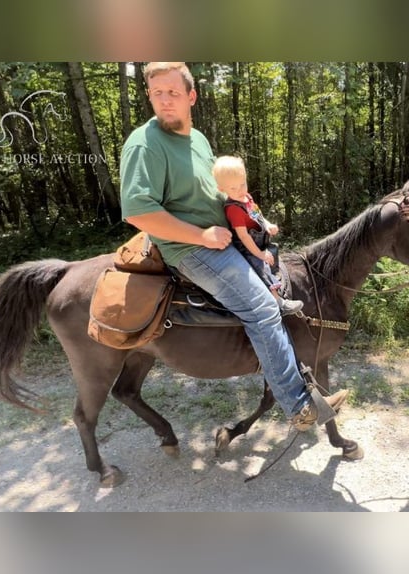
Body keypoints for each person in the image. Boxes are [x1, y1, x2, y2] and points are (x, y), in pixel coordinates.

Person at [119, 62, 348, 431]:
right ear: (148, 95)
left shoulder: (197, 140)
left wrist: (249, 216)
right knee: (262, 309)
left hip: (225, 238)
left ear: (191, 96)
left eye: (173, 92)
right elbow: (139, 212)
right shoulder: (144, 144)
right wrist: (202, 237)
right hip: (191, 249)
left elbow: (217, 193)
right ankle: (300, 407)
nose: (165, 100)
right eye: (157, 93)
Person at [212, 155, 304, 316]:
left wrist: (267, 224)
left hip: (259, 239)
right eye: (233, 188)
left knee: (275, 259)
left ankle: (278, 286)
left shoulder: (246, 198)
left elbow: (257, 215)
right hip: (247, 247)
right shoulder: (233, 209)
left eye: (243, 184)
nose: (240, 190)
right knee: (261, 268)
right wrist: (260, 254)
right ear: (222, 189)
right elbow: (244, 237)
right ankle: (278, 302)